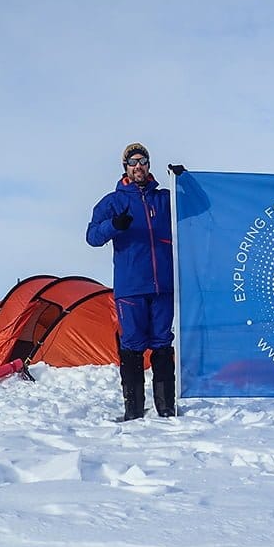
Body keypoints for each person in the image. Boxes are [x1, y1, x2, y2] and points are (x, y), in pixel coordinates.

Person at [86, 142, 177, 421]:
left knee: (162, 343)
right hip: (131, 288)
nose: (139, 166)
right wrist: (114, 225)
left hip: (162, 285)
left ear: (149, 165)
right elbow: (92, 237)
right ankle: (134, 411)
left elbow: (195, 210)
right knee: (134, 345)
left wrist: (187, 182)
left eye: (143, 161)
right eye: (133, 162)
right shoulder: (113, 202)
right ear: (125, 168)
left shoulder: (164, 199)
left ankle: (166, 409)